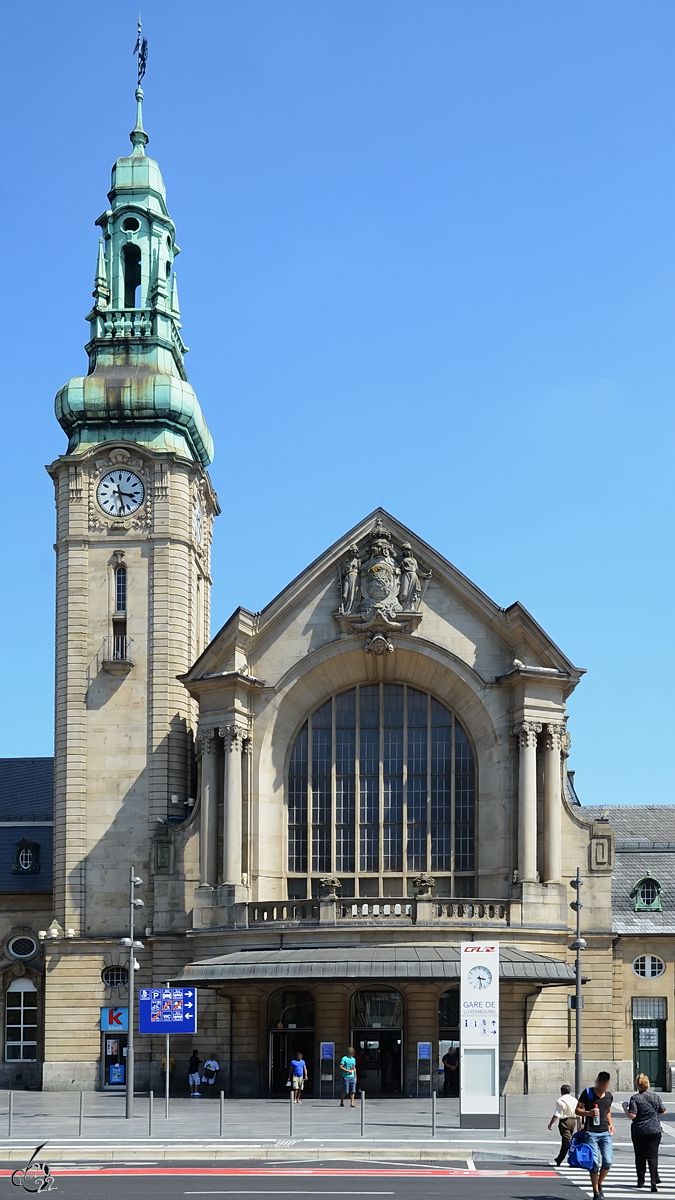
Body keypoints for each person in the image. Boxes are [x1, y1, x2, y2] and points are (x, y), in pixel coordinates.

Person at [576, 1071, 615, 1199]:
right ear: (597, 1081)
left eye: (605, 1084)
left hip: (605, 1132)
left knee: (608, 1161)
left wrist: (611, 1124)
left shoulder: (609, 1096)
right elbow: (577, 1110)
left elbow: (608, 1111)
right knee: (594, 1162)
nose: (603, 1086)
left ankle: (599, 1184)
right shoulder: (588, 1093)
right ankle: (596, 1192)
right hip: (591, 1132)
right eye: (601, 1083)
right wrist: (588, 1113)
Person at [626, 1073, 666, 1192]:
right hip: (654, 1130)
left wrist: (625, 1109)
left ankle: (640, 1181)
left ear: (638, 1085)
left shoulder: (635, 1098)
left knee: (640, 1156)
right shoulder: (655, 1096)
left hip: (639, 1131)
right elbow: (662, 1111)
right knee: (653, 1156)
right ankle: (654, 1180)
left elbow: (633, 1115)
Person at [547, 1084, 578, 1165]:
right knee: (565, 1141)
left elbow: (557, 1114)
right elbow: (579, 1113)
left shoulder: (560, 1100)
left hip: (565, 1122)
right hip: (573, 1121)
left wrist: (550, 1123)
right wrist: (580, 1124)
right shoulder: (574, 1100)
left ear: (561, 1091)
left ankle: (576, 1158)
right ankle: (559, 1159)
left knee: (569, 1141)